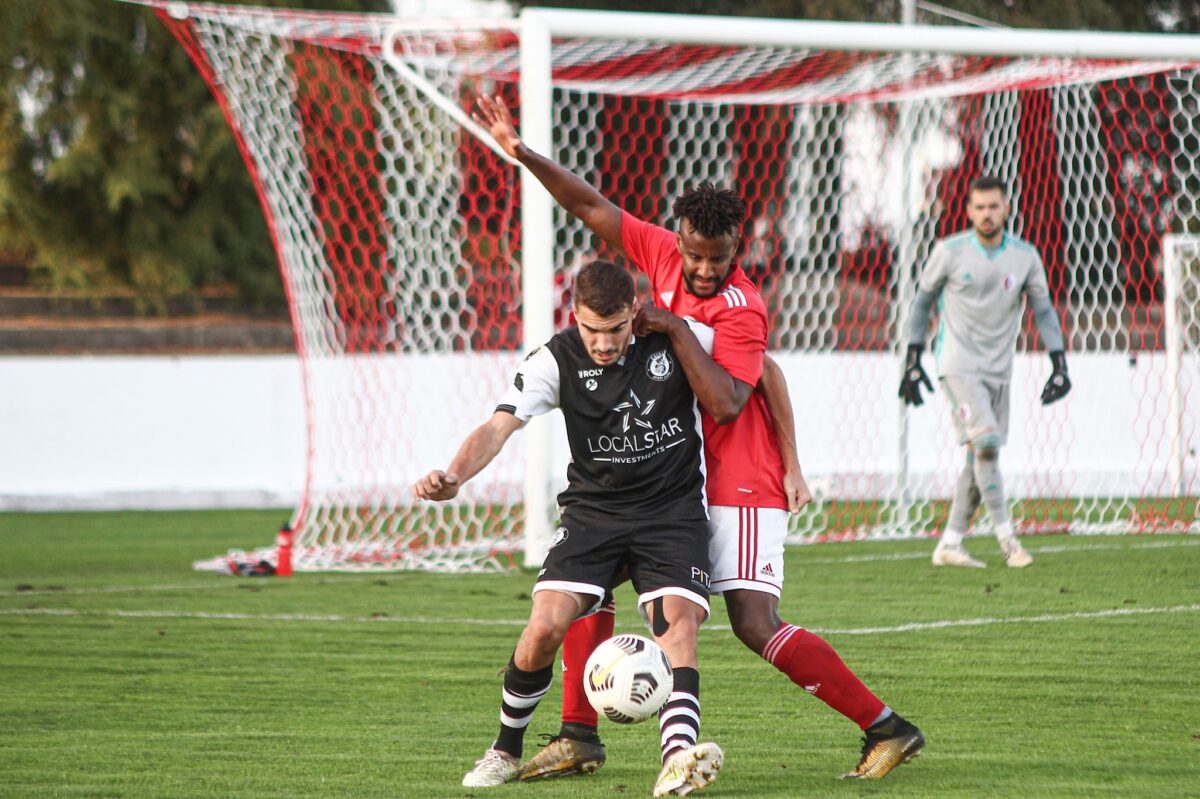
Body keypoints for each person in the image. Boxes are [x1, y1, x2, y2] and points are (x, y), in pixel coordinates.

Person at [474, 94, 924, 784]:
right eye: (696, 255)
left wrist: (678, 328)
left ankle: (885, 724)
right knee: (593, 577)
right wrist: (524, 151)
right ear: (677, 239)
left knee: (751, 618)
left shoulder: (742, 309)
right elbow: (589, 205)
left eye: (720, 258)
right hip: (675, 478)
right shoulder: (657, 250)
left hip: (737, 472)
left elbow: (727, 397)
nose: (707, 271)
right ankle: (577, 733)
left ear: (737, 248)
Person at [414, 259, 724, 796]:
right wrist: (455, 475)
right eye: (591, 330)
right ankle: (505, 750)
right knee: (543, 627)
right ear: (574, 316)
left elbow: (751, 373)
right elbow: (498, 427)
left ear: (635, 311)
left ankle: (677, 758)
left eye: (615, 330)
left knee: (678, 627)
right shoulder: (554, 359)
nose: (602, 344)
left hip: (670, 514)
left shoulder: (681, 339)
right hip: (594, 514)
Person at [899, 175, 1071, 569]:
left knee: (979, 456)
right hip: (957, 364)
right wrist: (913, 358)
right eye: (979, 207)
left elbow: (1043, 310)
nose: (986, 214)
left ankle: (950, 543)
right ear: (969, 211)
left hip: (999, 369)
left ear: (1006, 208)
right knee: (988, 442)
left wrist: (1059, 361)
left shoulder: (1025, 256)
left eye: (993, 206)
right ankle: (1009, 542)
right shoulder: (950, 251)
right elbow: (922, 302)